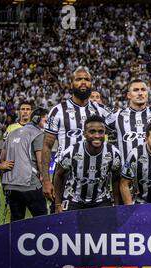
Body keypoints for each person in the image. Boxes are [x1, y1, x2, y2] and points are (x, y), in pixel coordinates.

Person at [42, 66, 111, 203]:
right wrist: (45, 180)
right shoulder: (57, 111)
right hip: (64, 173)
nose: (83, 82)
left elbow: (121, 126)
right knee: (62, 218)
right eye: (79, 79)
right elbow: (47, 146)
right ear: (71, 83)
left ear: (92, 84)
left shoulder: (102, 111)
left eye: (87, 79)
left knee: (99, 219)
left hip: (97, 173)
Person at [53, 115, 121, 212]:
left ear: (105, 133)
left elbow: (116, 179)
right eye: (92, 131)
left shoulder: (114, 153)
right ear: (84, 134)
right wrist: (57, 204)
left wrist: (117, 204)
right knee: (70, 227)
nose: (97, 136)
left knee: (105, 227)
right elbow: (59, 175)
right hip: (74, 199)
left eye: (100, 132)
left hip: (101, 200)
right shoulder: (71, 152)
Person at [106, 79, 151, 163]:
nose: (140, 93)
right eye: (136, 90)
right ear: (128, 95)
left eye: (143, 90)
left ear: (147, 94)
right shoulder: (117, 116)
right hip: (126, 173)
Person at [0, 108, 48, 221]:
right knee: (42, 221)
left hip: (11, 186)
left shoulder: (11, 133)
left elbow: (2, 159)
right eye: (46, 121)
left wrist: (4, 185)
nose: (47, 124)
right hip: (29, 184)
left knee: (16, 223)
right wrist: (45, 180)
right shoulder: (38, 134)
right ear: (37, 119)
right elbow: (41, 161)